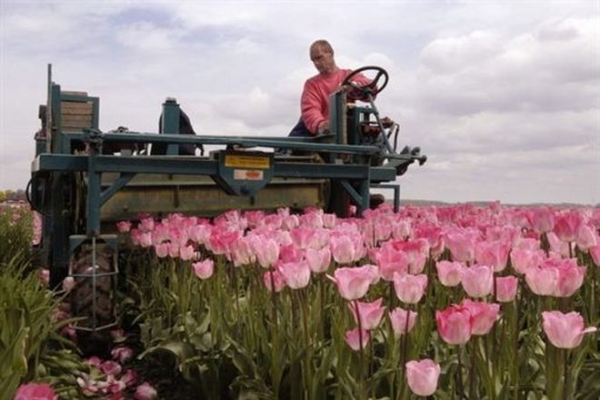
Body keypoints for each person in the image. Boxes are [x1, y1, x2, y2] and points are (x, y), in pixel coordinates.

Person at [288, 39, 373, 137]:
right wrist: (322, 125)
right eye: (313, 60)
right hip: (322, 135)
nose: (316, 63)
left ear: (331, 54)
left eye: (319, 58)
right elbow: (310, 110)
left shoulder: (348, 75)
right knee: (300, 132)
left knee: (376, 139)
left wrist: (353, 86)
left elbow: (370, 86)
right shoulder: (312, 84)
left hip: (347, 128)